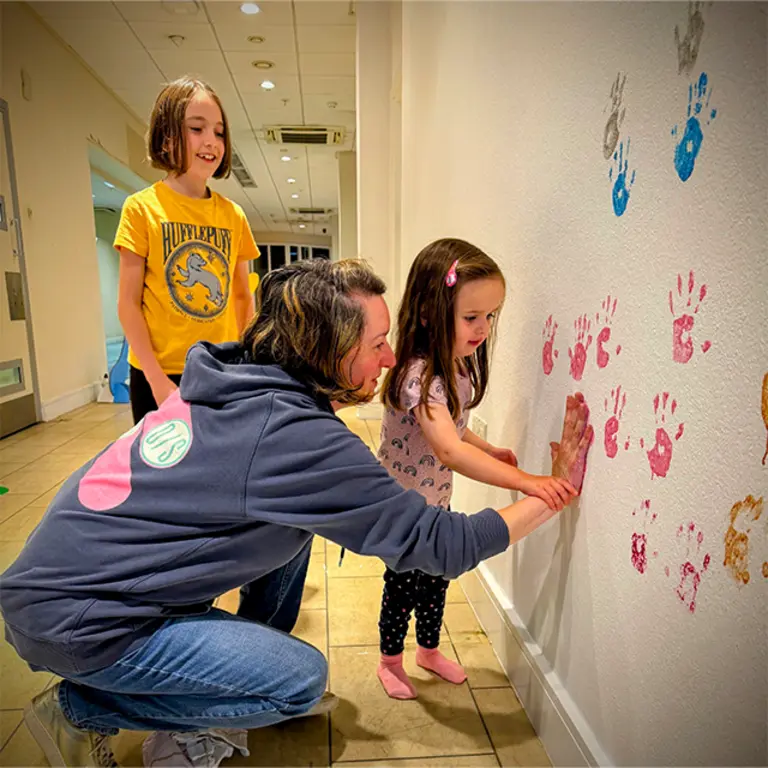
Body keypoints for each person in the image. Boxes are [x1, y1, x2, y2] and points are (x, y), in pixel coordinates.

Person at [0, 259, 593, 768]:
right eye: (375, 344)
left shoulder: (235, 374)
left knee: (295, 527)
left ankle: (220, 677)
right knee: (297, 681)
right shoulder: (291, 436)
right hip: (81, 623)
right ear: (325, 351)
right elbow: (442, 544)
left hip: (61, 585)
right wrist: (551, 492)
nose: (389, 358)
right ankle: (81, 709)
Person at [375, 239, 578, 699]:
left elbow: (456, 429)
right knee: (401, 588)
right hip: (403, 514)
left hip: (434, 505)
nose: (484, 328)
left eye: (491, 315)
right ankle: (390, 660)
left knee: (437, 583)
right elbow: (446, 449)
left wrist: (490, 450)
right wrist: (528, 481)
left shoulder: (455, 368)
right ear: (429, 312)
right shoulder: (416, 376)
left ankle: (428, 650)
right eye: (471, 317)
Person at [116, 75, 260, 424]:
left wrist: (247, 364)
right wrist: (157, 381)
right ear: (167, 137)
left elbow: (242, 298)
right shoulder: (141, 209)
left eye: (219, 132)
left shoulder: (233, 215)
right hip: (159, 372)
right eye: (197, 128)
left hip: (220, 367)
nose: (211, 141)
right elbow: (128, 305)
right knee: (161, 471)